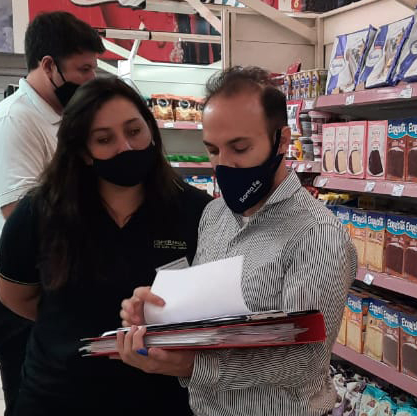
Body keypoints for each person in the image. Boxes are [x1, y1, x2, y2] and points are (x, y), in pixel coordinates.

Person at [117, 66, 357, 416]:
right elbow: (205, 315)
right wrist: (157, 315)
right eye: (213, 150)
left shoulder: (316, 234)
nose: (224, 164)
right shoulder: (214, 215)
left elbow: (302, 359)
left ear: (282, 140)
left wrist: (193, 366)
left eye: (240, 148)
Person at [0, 77, 211, 415]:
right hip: (58, 395)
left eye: (134, 131)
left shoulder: (196, 211)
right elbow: (15, 295)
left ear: (151, 130)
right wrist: (72, 321)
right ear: (83, 151)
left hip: (161, 397)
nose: (125, 147)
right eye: (104, 139)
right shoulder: (41, 212)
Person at [0, 11, 101, 414]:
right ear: (49, 66)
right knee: (33, 403)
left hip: (55, 285)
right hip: (18, 294)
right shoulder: (14, 121)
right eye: (83, 69)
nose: (91, 80)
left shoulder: (61, 118)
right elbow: (23, 218)